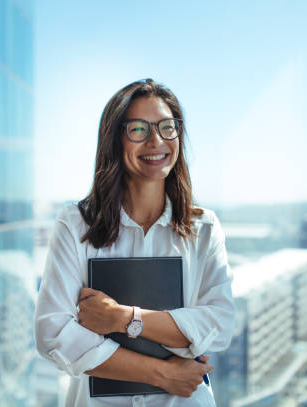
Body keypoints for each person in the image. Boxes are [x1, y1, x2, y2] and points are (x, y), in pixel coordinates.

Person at [34, 78, 236, 406]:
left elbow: (220, 325)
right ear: (115, 140)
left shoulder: (204, 227)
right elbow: (54, 333)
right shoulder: (76, 225)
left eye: (167, 127)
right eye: (139, 130)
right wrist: (162, 372)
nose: (156, 140)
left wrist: (123, 319)